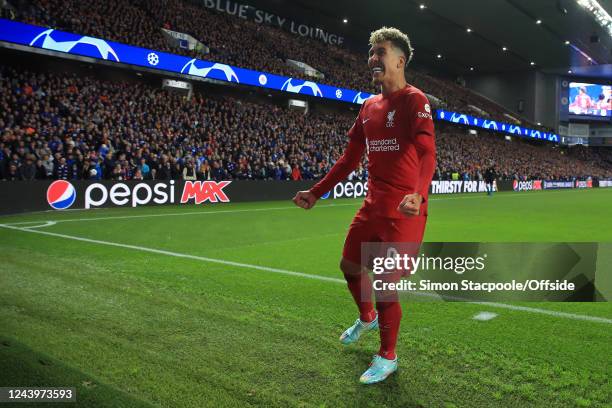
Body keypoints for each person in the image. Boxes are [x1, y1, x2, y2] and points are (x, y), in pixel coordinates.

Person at [292, 27, 436, 384]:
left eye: (381, 52)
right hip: (372, 206)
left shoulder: (415, 101)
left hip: (405, 211)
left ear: (400, 60)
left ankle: (388, 356)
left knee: (386, 282)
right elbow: (348, 158)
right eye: (371, 52)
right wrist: (317, 191)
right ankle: (367, 317)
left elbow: (427, 151)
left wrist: (418, 193)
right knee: (349, 266)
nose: (373, 58)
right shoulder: (369, 106)